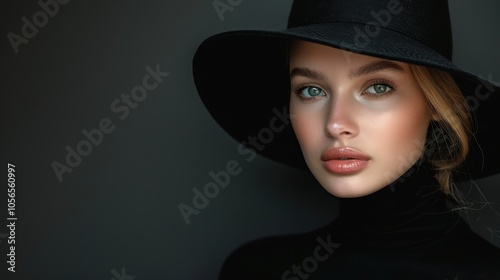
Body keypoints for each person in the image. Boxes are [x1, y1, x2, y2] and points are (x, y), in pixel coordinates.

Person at [192, 0, 500, 279]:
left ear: (437, 103)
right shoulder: (257, 271)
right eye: (311, 90)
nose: (335, 124)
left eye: (378, 87)